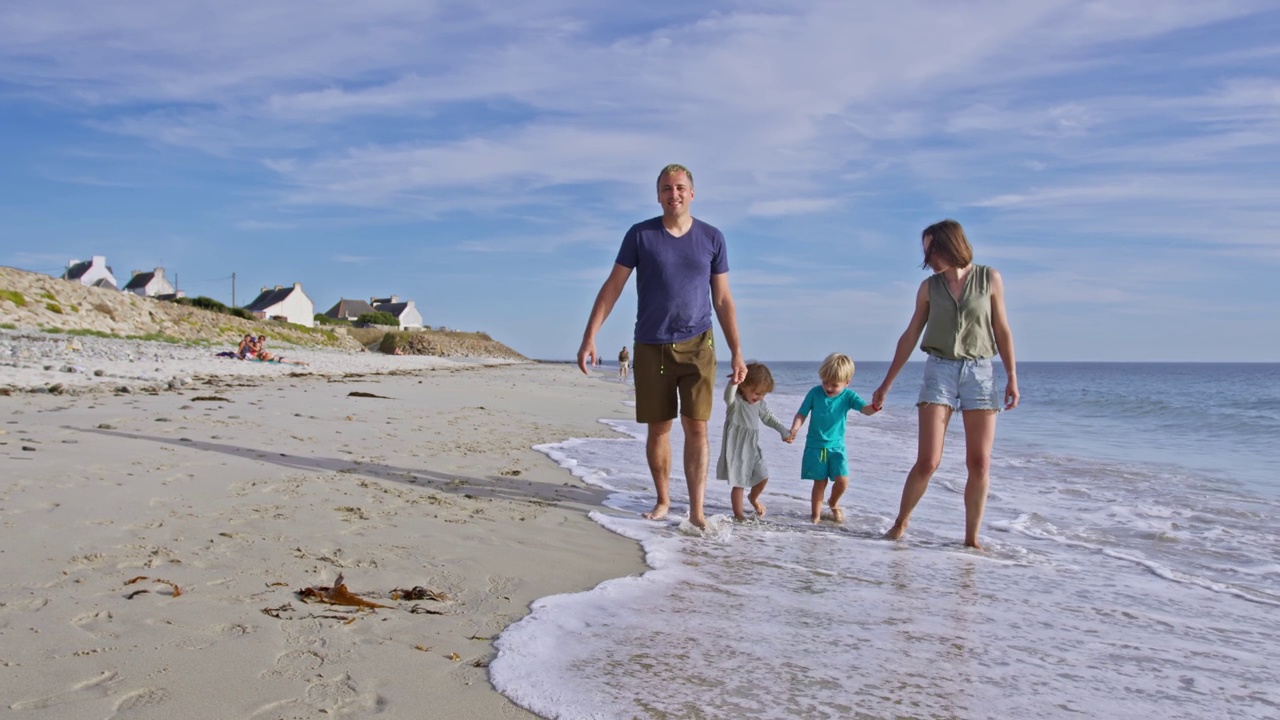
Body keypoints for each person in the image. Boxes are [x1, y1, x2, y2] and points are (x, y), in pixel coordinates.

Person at [577, 163, 747, 529]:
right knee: (659, 428)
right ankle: (663, 500)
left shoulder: (712, 237)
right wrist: (590, 335)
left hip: (699, 344)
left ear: (692, 192)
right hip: (651, 345)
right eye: (667, 189)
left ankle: (698, 510)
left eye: (681, 187)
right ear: (658, 195)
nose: (674, 194)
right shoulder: (640, 236)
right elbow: (613, 287)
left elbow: (723, 300)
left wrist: (736, 350)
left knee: (697, 428)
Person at [871, 219, 1018, 549]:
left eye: (931, 249)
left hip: (981, 372)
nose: (928, 258)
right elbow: (910, 336)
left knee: (979, 462)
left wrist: (1012, 377)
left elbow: (1002, 330)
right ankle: (900, 524)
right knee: (929, 460)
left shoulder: (990, 278)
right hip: (939, 370)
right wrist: (886, 384)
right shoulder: (928, 287)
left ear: (951, 244)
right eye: (925, 251)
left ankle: (971, 540)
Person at [786, 353, 880, 524]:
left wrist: (875, 406)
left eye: (834, 385)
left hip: (837, 447)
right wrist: (795, 429)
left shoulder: (848, 396)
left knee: (843, 480)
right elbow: (802, 413)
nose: (828, 388)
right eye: (825, 382)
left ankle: (833, 502)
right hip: (816, 445)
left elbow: (865, 410)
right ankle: (815, 516)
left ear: (847, 382)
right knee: (819, 482)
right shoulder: (815, 393)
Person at [716, 362, 792, 521]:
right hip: (736, 449)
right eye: (757, 393)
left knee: (763, 475)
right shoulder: (735, 403)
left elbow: (769, 418)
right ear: (744, 386)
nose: (760, 397)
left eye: (763, 394)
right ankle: (739, 516)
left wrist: (783, 431)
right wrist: (734, 382)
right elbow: (727, 396)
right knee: (739, 483)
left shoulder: (759, 404)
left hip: (752, 447)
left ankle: (753, 498)